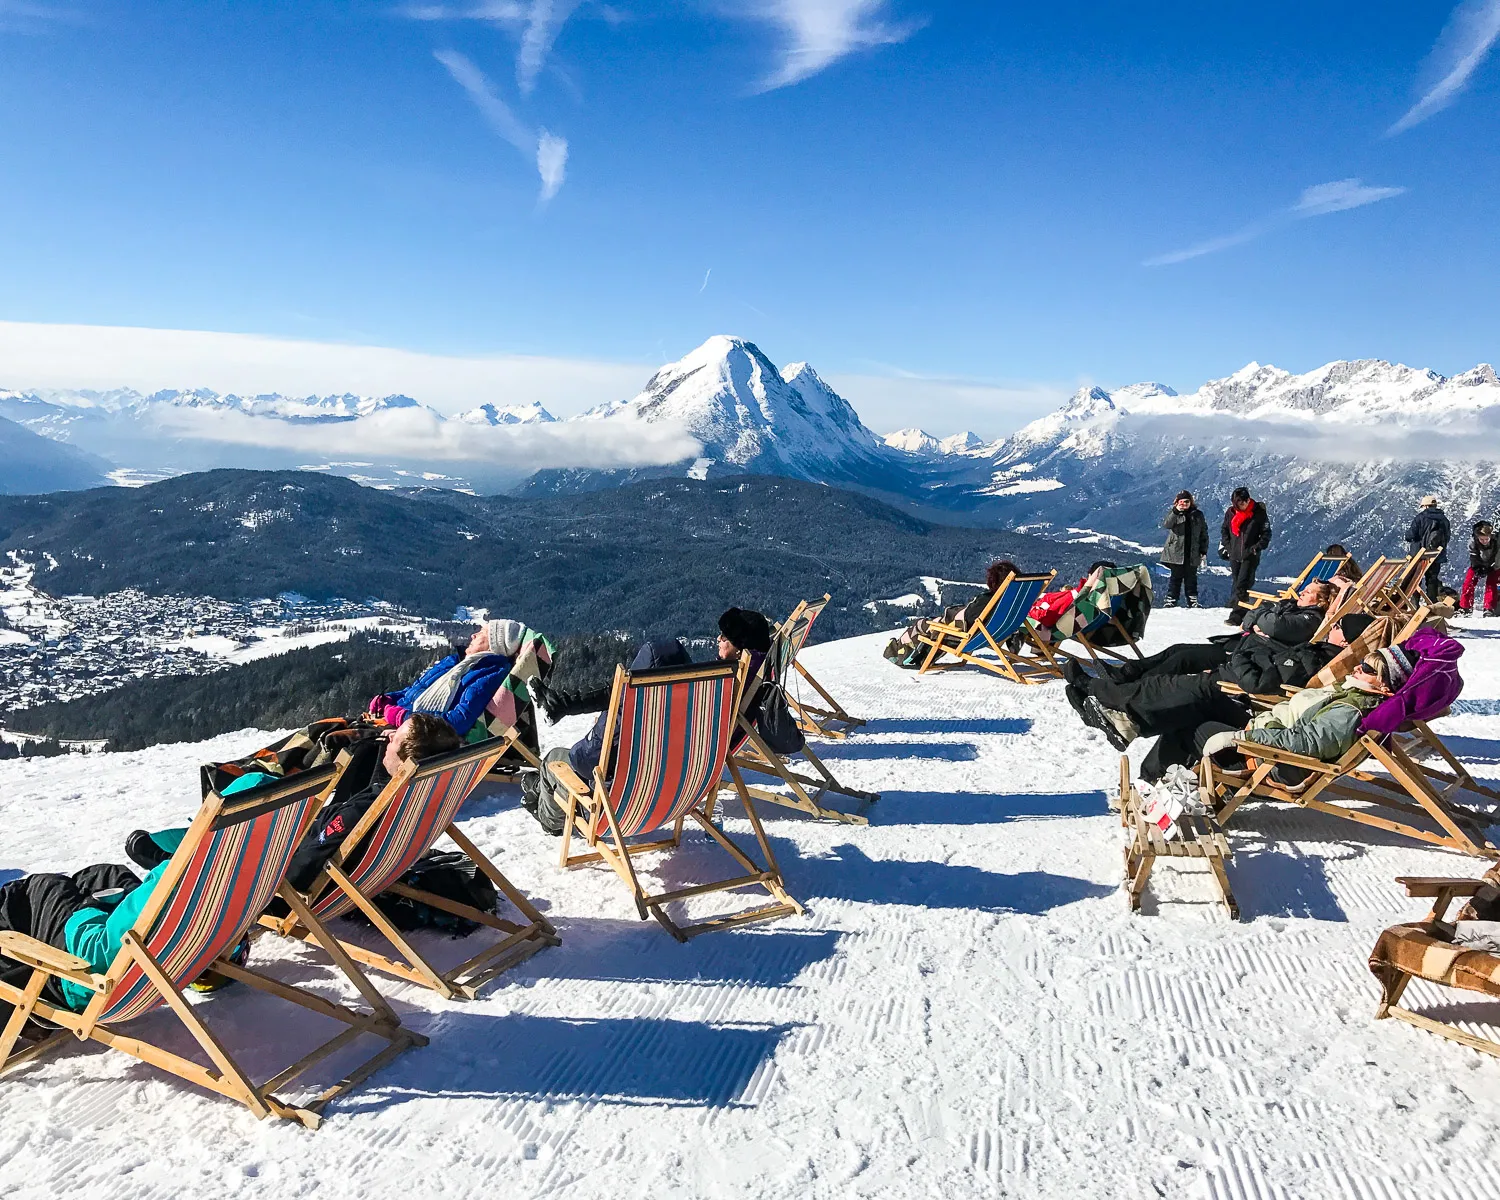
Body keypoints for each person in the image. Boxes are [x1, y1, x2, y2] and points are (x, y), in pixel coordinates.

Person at [124, 715, 463, 899]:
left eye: (396, 738)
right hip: (314, 847)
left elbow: (301, 870)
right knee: (260, 786)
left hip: (274, 872)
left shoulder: (364, 811)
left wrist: (269, 856)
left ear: (409, 759)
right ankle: (190, 841)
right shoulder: (417, 793)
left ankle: (186, 858)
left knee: (250, 793)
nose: (388, 735)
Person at [526, 609, 774, 835]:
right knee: (642, 683)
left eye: (725, 637)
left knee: (553, 761)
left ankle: (549, 819)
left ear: (741, 648)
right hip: (682, 791)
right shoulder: (735, 685)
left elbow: (584, 759)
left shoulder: (720, 690)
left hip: (621, 805)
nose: (718, 639)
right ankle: (562, 710)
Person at [369, 618, 528, 737]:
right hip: (395, 720)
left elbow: (458, 721)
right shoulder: (455, 662)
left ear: (495, 644)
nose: (473, 635)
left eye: (482, 633)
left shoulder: (488, 676)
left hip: (414, 735)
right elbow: (417, 689)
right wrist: (390, 698)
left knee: (351, 745)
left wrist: (404, 718)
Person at [883, 561, 1019, 666]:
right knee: (931, 624)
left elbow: (969, 619)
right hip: (992, 634)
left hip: (963, 634)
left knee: (921, 625)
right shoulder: (1016, 600)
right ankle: (915, 653)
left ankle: (897, 653)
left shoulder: (988, 601)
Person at [1220, 487, 1271, 626]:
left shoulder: (1258, 513)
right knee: (1237, 583)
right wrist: (1228, 546)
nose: (1243, 505)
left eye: (1245, 502)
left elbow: (1266, 533)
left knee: (1242, 583)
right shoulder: (1230, 513)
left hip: (1250, 555)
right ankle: (1242, 610)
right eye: (1239, 503)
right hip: (1234, 554)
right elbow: (1224, 529)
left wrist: (1256, 548)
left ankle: (1236, 616)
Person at [1160, 491, 1209, 608]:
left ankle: (1192, 600)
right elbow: (1167, 524)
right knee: (1175, 577)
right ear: (1176, 502)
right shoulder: (1174, 514)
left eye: (1186, 501)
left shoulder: (1197, 515)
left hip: (1192, 552)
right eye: (1181, 502)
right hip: (1176, 552)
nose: (1184, 504)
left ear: (1190, 502)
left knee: (1191, 578)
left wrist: (1203, 550)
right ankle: (1171, 600)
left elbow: (1203, 533)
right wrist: (1176, 511)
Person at [1406, 495, 1451, 601]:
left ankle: (1414, 604)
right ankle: (1432, 604)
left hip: (1419, 555)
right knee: (1432, 580)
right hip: (1436, 556)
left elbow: (1410, 536)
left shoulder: (1420, 518)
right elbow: (1447, 537)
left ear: (1425, 506)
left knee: (1415, 580)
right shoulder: (1444, 520)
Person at [1459, 520, 1499, 617]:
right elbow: (1473, 556)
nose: (1484, 542)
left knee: (1491, 584)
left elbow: (1498, 556)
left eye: (1486, 539)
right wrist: (1477, 567)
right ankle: (1465, 607)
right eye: (1482, 539)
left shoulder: (1497, 541)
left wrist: (1492, 567)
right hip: (1478, 563)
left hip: (1495, 564)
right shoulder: (1472, 542)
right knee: (1469, 583)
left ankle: (1489, 608)